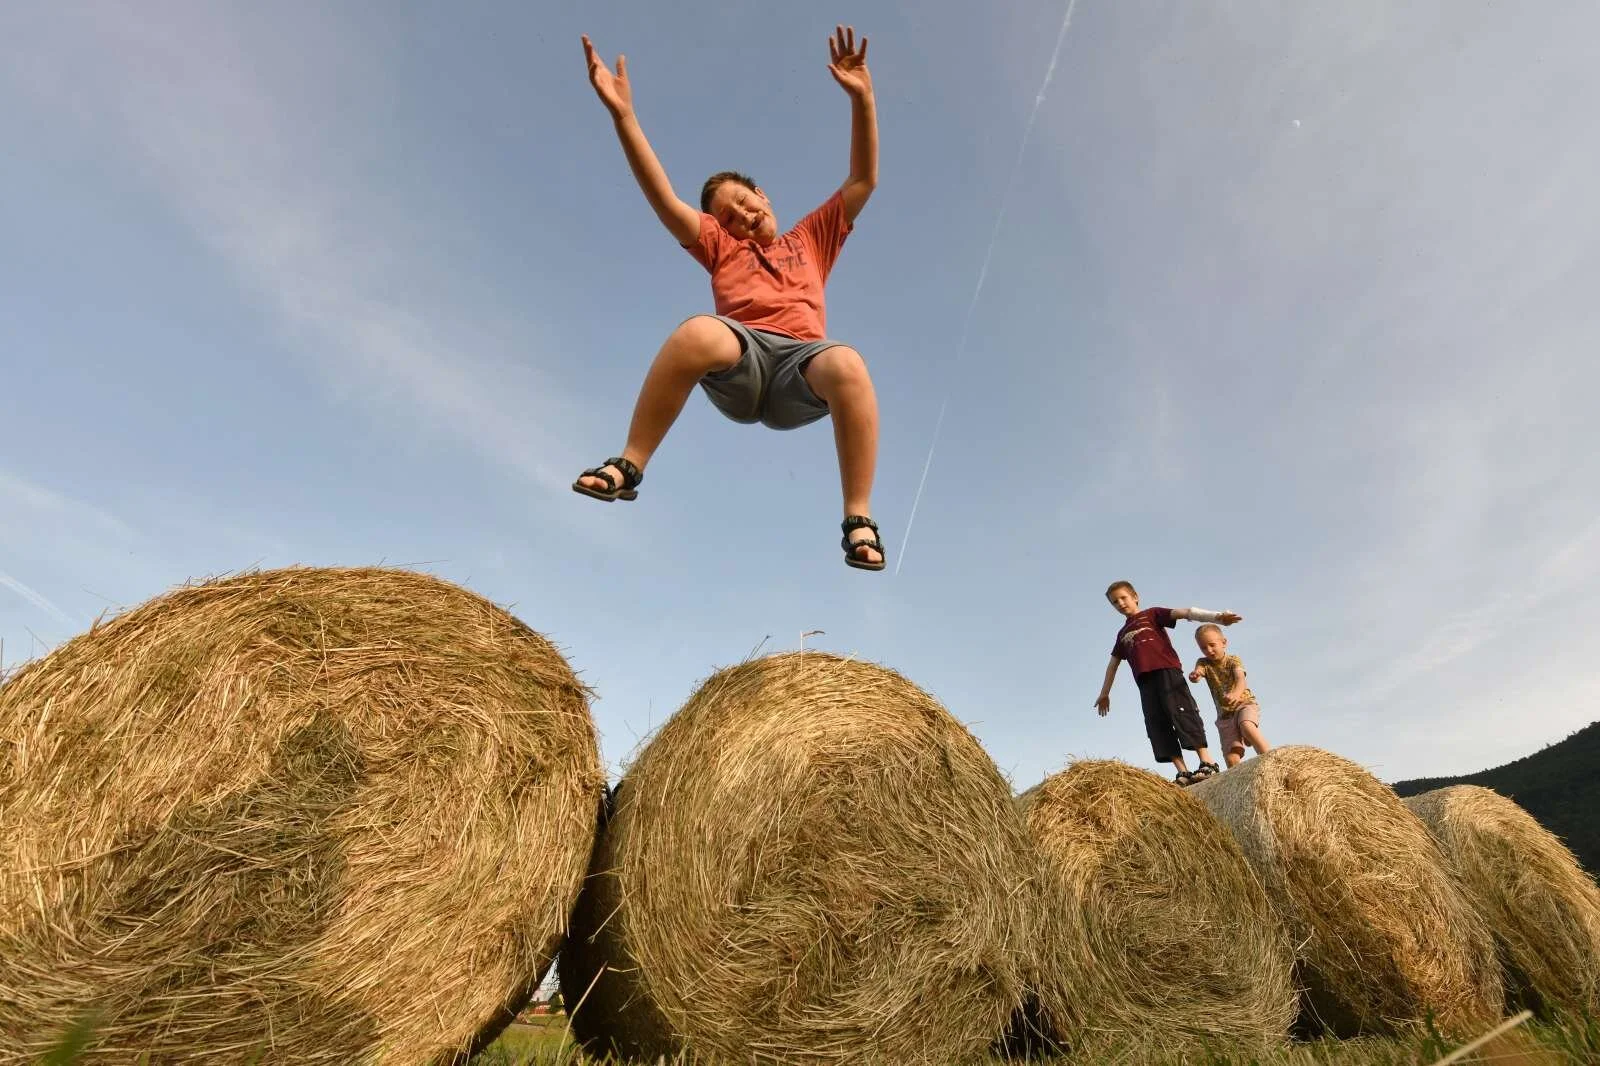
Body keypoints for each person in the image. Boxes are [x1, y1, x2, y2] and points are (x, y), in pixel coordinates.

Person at [571, 26, 887, 571]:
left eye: (743, 202)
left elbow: (862, 181)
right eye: (728, 216)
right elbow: (663, 197)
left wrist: (863, 100)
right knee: (697, 330)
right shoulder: (720, 247)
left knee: (849, 364)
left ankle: (858, 517)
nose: (740, 217)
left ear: (762, 194)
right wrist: (624, 116)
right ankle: (630, 463)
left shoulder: (812, 236)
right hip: (740, 363)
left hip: (798, 369)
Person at [1093, 580, 1240, 786]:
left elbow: (1185, 612)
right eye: (1115, 602)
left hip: (1167, 671)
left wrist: (1218, 617)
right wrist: (1104, 693)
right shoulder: (1122, 634)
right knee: (1157, 724)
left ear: (1135, 597)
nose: (1120, 603)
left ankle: (1207, 762)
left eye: (1123, 598)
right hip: (1144, 681)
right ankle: (1183, 772)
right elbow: (1112, 665)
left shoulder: (1152, 614)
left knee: (1182, 712)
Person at [1189, 623, 1271, 768]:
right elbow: (1199, 672)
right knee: (1231, 757)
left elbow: (1240, 679)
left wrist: (1236, 693)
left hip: (1244, 704)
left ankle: (1271, 762)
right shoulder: (1204, 663)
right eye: (1203, 647)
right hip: (1225, 715)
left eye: (1212, 645)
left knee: (1247, 726)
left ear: (1224, 643)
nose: (1208, 650)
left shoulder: (1233, 660)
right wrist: (1195, 676)